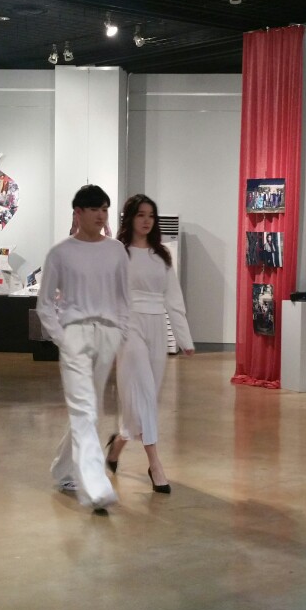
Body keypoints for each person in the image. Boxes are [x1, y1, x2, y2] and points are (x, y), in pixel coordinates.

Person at [37, 185, 130, 514]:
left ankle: (63, 471)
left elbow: (124, 298)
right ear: (78, 212)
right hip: (75, 334)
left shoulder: (116, 250)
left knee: (89, 410)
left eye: (104, 208)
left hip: (107, 335)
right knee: (84, 410)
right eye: (94, 209)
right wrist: (62, 338)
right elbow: (45, 303)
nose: (101, 215)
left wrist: (120, 333)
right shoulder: (60, 253)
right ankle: (96, 487)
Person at [107, 193, 194, 493]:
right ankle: (155, 464)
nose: (146, 221)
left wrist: (184, 339)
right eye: (141, 215)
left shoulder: (162, 255)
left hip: (157, 325)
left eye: (151, 216)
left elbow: (174, 299)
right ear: (130, 218)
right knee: (143, 391)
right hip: (129, 325)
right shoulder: (118, 253)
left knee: (145, 398)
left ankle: (118, 444)